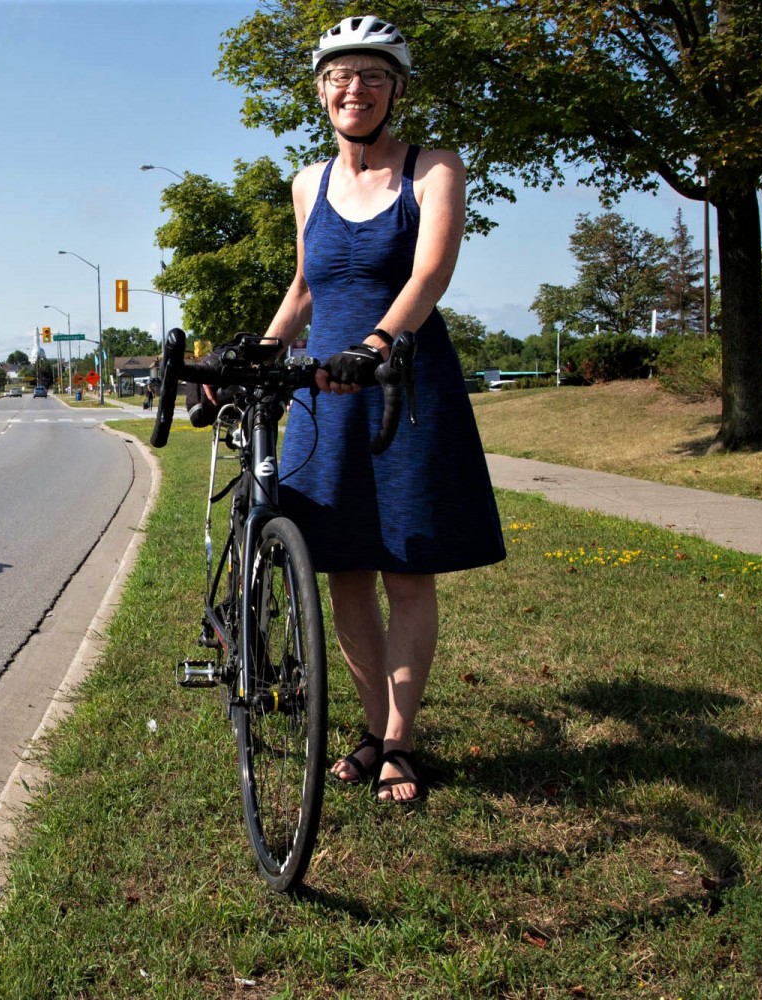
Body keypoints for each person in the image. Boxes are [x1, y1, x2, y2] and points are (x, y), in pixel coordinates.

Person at [258, 15, 506, 803]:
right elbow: (304, 289)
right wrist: (260, 355)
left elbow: (429, 276)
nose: (352, 88)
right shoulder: (308, 183)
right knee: (345, 571)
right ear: (321, 91)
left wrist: (373, 346)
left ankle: (400, 742)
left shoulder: (433, 171)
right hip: (325, 399)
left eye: (370, 75)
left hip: (403, 389)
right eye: (339, 76)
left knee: (406, 571)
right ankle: (370, 730)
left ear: (396, 90)